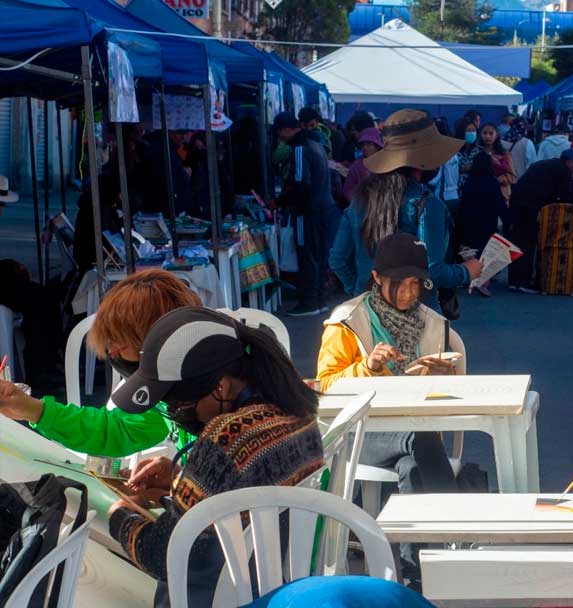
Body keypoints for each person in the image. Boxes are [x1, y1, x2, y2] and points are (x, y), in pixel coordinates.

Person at [107, 307, 323, 604]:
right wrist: (179, 483)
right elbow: (241, 488)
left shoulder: (229, 435)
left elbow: (163, 556)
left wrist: (119, 513)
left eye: (177, 403)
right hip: (277, 580)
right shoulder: (294, 407)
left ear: (221, 385)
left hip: (231, 593)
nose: (175, 413)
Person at [318, 233, 460, 582]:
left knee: (413, 466)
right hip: (358, 435)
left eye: (415, 284)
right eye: (399, 284)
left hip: (415, 437)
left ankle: (413, 576)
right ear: (378, 278)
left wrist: (444, 375)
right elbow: (325, 385)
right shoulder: (347, 321)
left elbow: (456, 398)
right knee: (419, 439)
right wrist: (368, 366)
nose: (410, 294)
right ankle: (459, 530)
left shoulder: (433, 322)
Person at [0, 269, 202, 456]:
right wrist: (34, 410)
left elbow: (115, 432)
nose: (113, 353)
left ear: (156, 343)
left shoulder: (216, 409)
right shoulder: (170, 387)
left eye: (121, 346)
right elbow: (116, 429)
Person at [328, 109, 482, 303]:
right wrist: (467, 271)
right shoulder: (427, 204)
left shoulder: (361, 199)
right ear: (425, 161)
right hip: (417, 317)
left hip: (368, 315)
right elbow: (432, 271)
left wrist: (359, 292)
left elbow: (338, 260)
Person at [274, 111, 339, 316]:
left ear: (286, 130)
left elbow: (301, 183)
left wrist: (280, 201)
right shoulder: (316, 145)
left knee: (307, 256)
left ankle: (309, 302)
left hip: (307, 212)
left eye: (279, 133)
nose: (279, 138)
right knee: (319, 256)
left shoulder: (300, 149)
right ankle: (319, 300)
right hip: (323, 210)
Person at [507, 150, 573, 293]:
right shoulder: (562, 171)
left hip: (516, 201)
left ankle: (514, 281)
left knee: (517, 241)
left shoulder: (545, 164)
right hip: (529, 206)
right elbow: (569, 194)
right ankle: (523, 282)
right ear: (569, 162)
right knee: (528, 243)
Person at [458, 153, 511, 297]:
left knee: (471, 252)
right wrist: (507, 219)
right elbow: (499, 203)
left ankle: (468, 277)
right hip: (487, 222)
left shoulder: (469, 181)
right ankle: (482, 281)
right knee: (485, 253)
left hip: (469, 222)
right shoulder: (492, 182)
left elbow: (463, 203)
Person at [343, 127, 384, 203]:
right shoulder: (356, 167)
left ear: (377, 146)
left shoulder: (387, 164)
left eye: (369, 144)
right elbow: (347, 190)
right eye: (363, 144)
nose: (364, 147)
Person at [478, 123, 514, 201]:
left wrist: (500, 179)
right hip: (482, 195)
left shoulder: (504, 154)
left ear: (496, 135)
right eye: (485, 133)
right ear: (480, 135)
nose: (488, 136)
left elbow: (512, 177)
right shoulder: (477, 153)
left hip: (501, 196)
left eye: (491, 133)